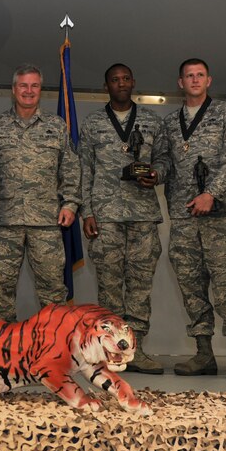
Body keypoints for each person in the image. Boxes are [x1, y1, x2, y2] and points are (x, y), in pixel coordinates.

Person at [153, 58, 226, 379]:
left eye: (200, 75)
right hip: (183, 219)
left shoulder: (225, 114)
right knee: (191, 286)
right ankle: (204, 353)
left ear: (209, 80)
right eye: (188, 76)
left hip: (218, 217)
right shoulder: (169, 123)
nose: (194, 80)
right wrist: (154, 173)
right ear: (180, 83)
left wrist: (212, 192)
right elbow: (166, 162)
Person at [78, 64, 166, 374]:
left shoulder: (152, 122)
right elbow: (84, 170)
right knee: (110, 285)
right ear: (106, 86)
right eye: (115, 80)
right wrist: (87, 212)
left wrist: (157, 175)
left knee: (140, 284)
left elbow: (164, 161)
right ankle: (110, 351)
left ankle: (136, 350)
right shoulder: (92, 124)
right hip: (106, 216)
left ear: (133, 82)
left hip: (142, 215)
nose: (121, 84)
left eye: (126, 78)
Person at [0, 64, 81, 322]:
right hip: (5, 221)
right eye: (23, 85)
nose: (29, 91)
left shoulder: (56, 126)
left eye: (34, 85)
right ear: (14, 90)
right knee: (1, 289)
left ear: (41, 89)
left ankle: (56, 350)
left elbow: (70, 168)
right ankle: (1, 352)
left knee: (53, 291)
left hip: (46, 222)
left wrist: (70, 204)